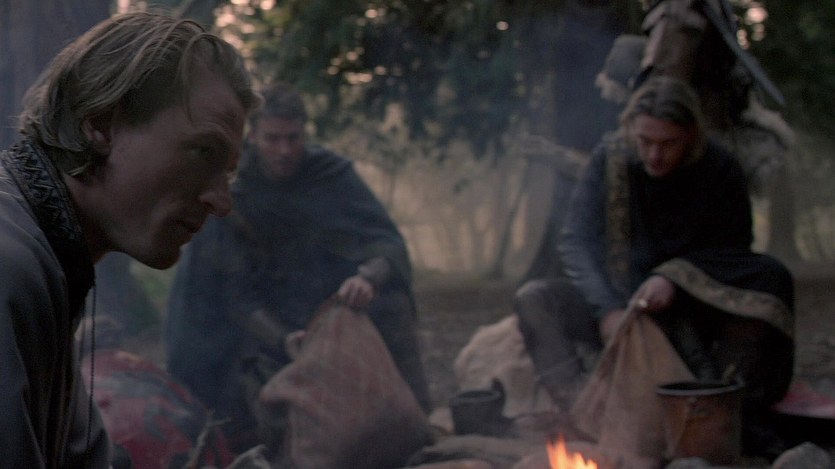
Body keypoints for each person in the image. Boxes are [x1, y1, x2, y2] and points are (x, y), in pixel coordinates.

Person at [0, 11, 259, 467]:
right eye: (204, 152)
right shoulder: (10, 268)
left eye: (229, 172)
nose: (222, 202)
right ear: (101, 124)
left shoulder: (45, 254)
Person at [514, 76, 794, 459]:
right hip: (618, 300)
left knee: (771, 278)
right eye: (645, 141)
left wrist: (674, 277)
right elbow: (576, 240)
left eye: (668, 143)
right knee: (535, 299)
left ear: (690, 135)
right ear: (631, 128)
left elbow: (734, 250)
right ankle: (581, 413)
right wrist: (607, 308)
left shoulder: (719, 168)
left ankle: (727, 408)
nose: (655, 155)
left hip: (693, 308)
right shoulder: (609, 160)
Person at [165, 82, 431, 453]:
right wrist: (283, 338)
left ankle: (414, 426)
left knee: (392, 303)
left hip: (330, 305)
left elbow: (386, 242)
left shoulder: (330, 175)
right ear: (253, 137)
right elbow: (230, 290)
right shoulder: (232, 189)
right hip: (258, 320)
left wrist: (366, 278)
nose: (285, 150)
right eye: (273, 139)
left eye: (293, 138)